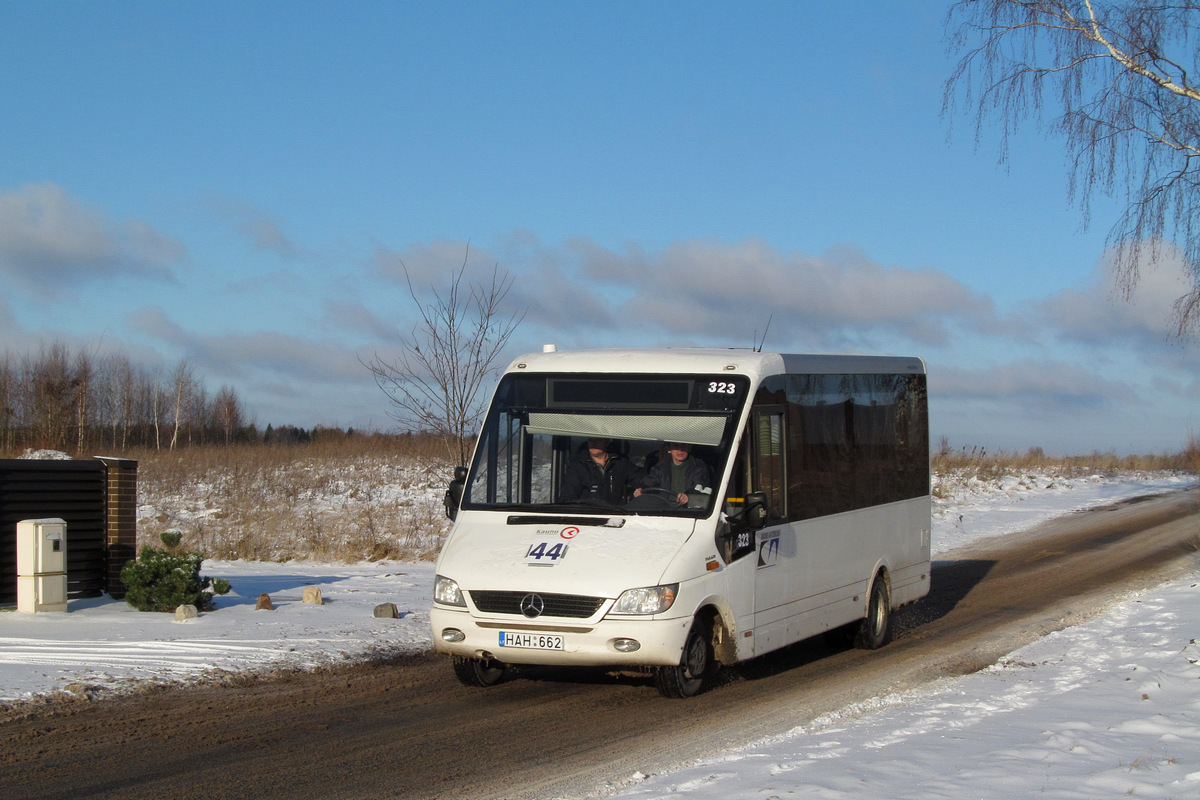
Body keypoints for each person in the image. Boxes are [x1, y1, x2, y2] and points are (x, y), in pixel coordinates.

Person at [559, 438, 643, 505]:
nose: (594, 443)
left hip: (615, 517)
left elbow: (643, 479)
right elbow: (568, 497)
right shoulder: (578, 466)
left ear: (607, 442)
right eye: (591, 440)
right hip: (588, 518)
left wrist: (640, 490)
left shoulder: (620, 462)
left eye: (598, 440)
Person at [634, 442, 712, 505]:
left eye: (683, 446)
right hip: (662, 509)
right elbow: (649, 482)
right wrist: (642, 490)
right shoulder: (660, 467)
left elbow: (700, 486)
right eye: (676, 446)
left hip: (687, 510)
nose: (680, 450)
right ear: (669, 449)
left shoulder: (698, 466)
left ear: (689, 448)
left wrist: (688, 496)